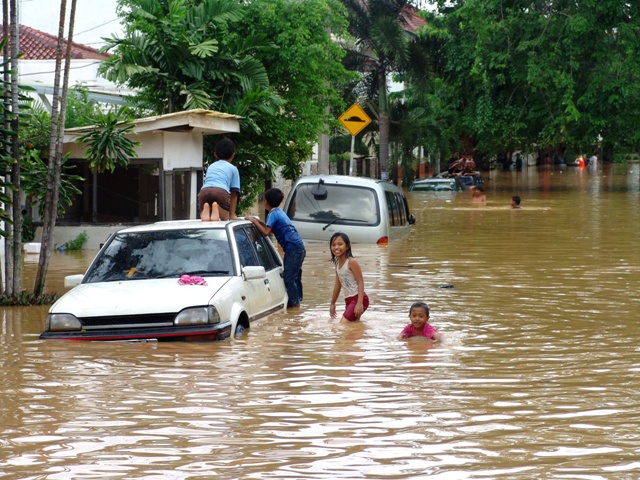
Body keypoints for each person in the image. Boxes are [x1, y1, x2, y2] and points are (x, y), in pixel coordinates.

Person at [247, 188, 306, 308]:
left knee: (289, 278)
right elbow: (270, 228)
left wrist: (253, 220)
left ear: (266, 201)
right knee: (295, 276)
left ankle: (295, 305)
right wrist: (258, 222)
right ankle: (297, 302)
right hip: (298, 247)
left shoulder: (272, 214)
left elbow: (266, 232)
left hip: (293, 249)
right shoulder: (279, 212)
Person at [329, 232, 369, 323]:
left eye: (340, 244)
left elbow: (360, 281)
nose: (336, 247)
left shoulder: (351, 262)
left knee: (343, 324)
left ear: (347, 246)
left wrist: (359, 303)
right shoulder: (337, 264)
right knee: (353, 326)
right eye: (333, 245)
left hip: (358, 298)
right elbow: (337, 285)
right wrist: (332, 303)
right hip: (348, 300)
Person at [198, 138, 240, 221]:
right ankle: (216, 207)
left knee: (205, 219)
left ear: (215, 154)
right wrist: (231, 215)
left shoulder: (211, 166)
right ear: (233, 155)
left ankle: (208, 208)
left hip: (204, 191)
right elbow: (234, 193)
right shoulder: (233, 169)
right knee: (225, 218)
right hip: (221, 191)